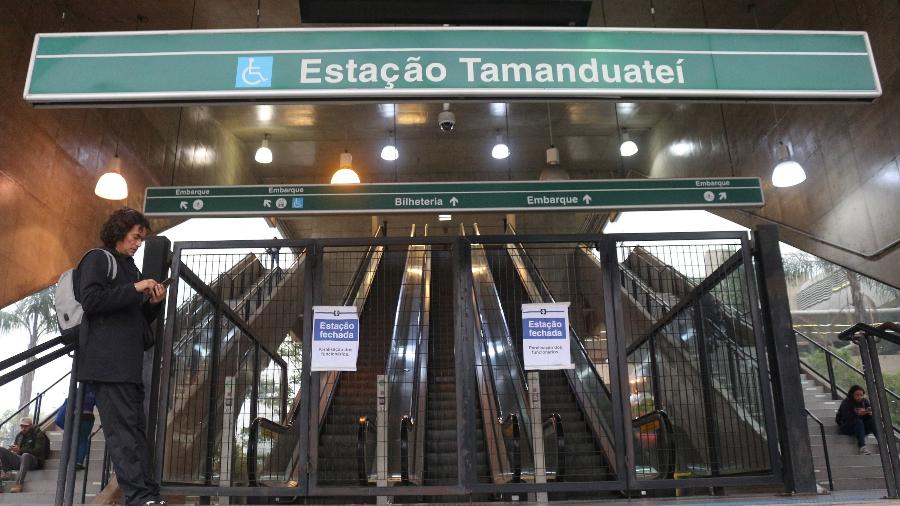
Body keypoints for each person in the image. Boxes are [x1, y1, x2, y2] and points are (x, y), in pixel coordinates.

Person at [76, 208, 167, 506]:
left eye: (141, 239)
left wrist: (152, 303)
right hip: (107, 364)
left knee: (136, 432)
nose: (138, 244)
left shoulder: (130, 268)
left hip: (127, 364)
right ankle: (140, 498)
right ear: (120, 231)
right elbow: (91, 300)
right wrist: (133, 288)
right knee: (122, 434)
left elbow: (133, 316)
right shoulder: (97, 259)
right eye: (135, 237)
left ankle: (148, 495)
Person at [0, 417, 50, 493]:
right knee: (2, 450)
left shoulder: (38, 434)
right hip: (21, 460)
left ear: (31, 425)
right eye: (21, 426)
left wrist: (20, 450)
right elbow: (17, 450)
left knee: (25, 455)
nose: (23, 428)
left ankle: (19, 484)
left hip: (34, 461)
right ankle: (7, 473)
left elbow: (38, 451)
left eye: (26, 426)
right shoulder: (19, 436)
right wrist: (13, 450)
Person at [836, 385, 876, 454]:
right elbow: (846, 418)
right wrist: (858, 414)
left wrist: (869, 413)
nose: (859, 397)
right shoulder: (846, 402)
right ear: (852, 394)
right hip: (847, 427)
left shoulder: (865, 401)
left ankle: (883, 443)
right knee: (858, 421)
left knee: (872, 421)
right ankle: (862, 447)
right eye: (857, 395)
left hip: (861, 428)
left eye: (861, 395)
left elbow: (869, 415)